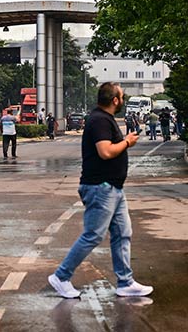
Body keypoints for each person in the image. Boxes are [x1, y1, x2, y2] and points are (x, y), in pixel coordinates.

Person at [48, 82, 153, 299]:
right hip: (100, 188)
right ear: (115, 100)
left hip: (113, 188)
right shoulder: (99, 120)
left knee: (123, 233)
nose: (123, 101)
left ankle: (125, 282)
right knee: (93, 235)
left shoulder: (104, 119)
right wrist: (127, 142)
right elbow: (105, 152)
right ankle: (61, 276)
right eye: (121, 97)